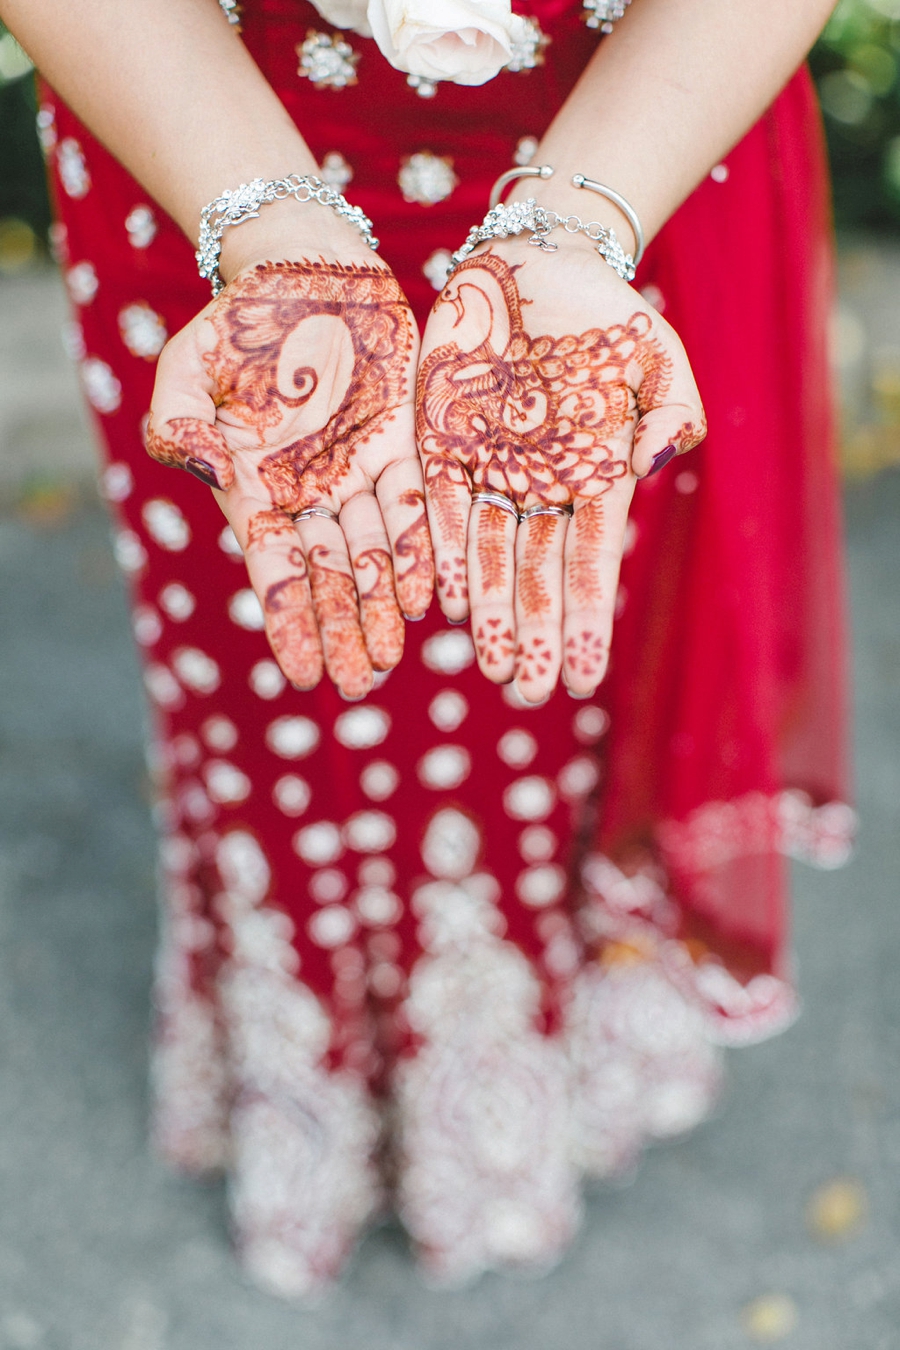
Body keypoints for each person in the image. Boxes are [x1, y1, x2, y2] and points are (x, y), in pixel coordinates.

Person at [1, 0, 853, 1299]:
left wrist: (579, 221)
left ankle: (540, 1050)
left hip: (633, 135)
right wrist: (268, 225)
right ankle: (307, 1068)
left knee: (572, 642)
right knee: (278, 641)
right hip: (196, 136)